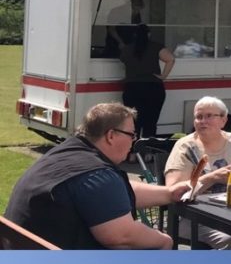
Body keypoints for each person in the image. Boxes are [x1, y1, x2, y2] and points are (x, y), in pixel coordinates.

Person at [4, 103, 188, 248]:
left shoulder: (69, 154)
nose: (133, 142)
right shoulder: (96, 173)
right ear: (111, 136)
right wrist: (164, 241)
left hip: (23, 258)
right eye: (131, 135)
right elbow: (121, 236)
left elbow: (110, 194)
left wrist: (168, 193)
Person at [163, 96, 231, 249]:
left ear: (223, 121)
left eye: (209, 116)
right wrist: (212, 178)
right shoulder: (186, 147)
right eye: (199, 117)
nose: (202, 121)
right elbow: (173, 192)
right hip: (195, 217)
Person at [118, 24, 173, 138]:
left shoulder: (127, 49)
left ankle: (133, 151)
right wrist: (163, 76)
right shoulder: (156, 47)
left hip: (132, 88)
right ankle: (148, 151)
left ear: (134, 35)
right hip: (153, 87)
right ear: (149, 34)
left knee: (133, 123)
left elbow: (124, 61)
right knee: (151, 122)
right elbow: (170, 59)